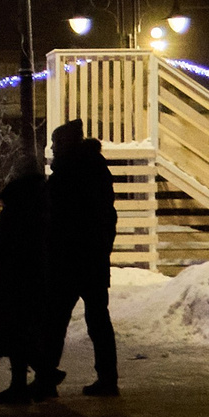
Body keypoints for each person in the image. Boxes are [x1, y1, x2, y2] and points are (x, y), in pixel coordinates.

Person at [45, 119, 120, 397]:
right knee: (98, 320)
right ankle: (108, 378)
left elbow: (56, 217)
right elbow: (106, 218)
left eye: (55, 143)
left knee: (55, 320)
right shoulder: (96, 171)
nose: (52, 148)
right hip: (93, 261)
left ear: (65, 144)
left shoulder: (67, 174)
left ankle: (46, 377)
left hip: (69, 260)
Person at [0, 163, 57, 405]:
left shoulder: (16, 215)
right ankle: (34, 377)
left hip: (12, 284)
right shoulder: (38, 213)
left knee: (14, 333)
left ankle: (33, 379)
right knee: (21, 334)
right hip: (28, 282)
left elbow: (6, 247)